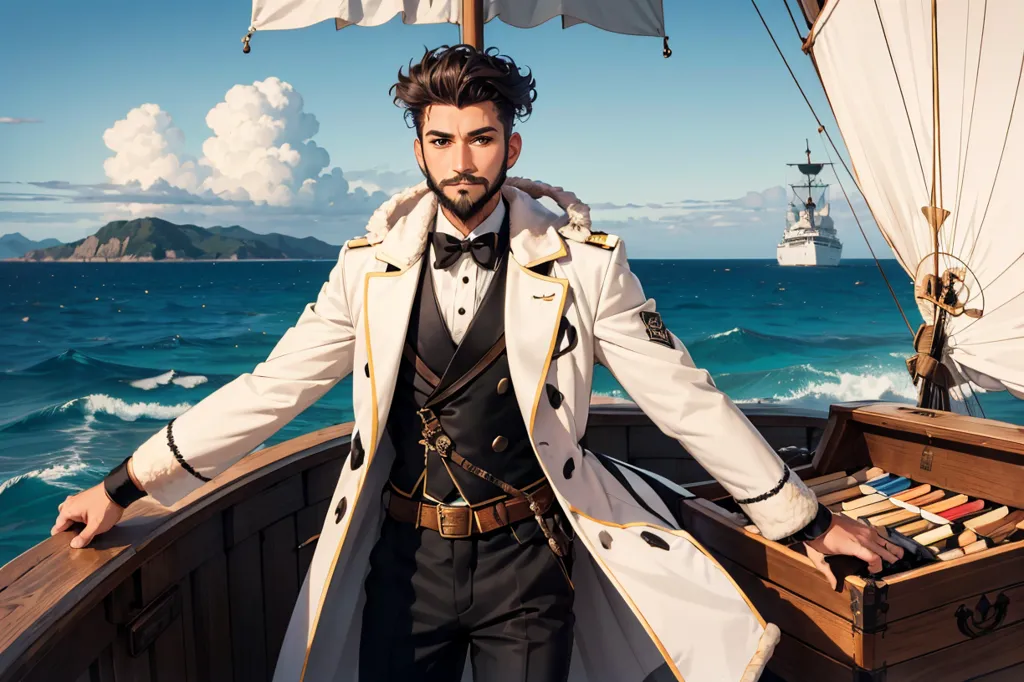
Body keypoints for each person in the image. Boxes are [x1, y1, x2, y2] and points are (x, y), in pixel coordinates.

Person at [52, 45, 902, 682]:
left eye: (482, 138)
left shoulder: (585, 263)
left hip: (529, 561)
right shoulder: (366, 267)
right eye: (443, 139)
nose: (463, 161)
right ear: (418, 149)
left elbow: (683, 396)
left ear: (513, 146)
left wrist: (804, 521)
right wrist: (124, 485)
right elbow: (271, 391)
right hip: (402, 559)